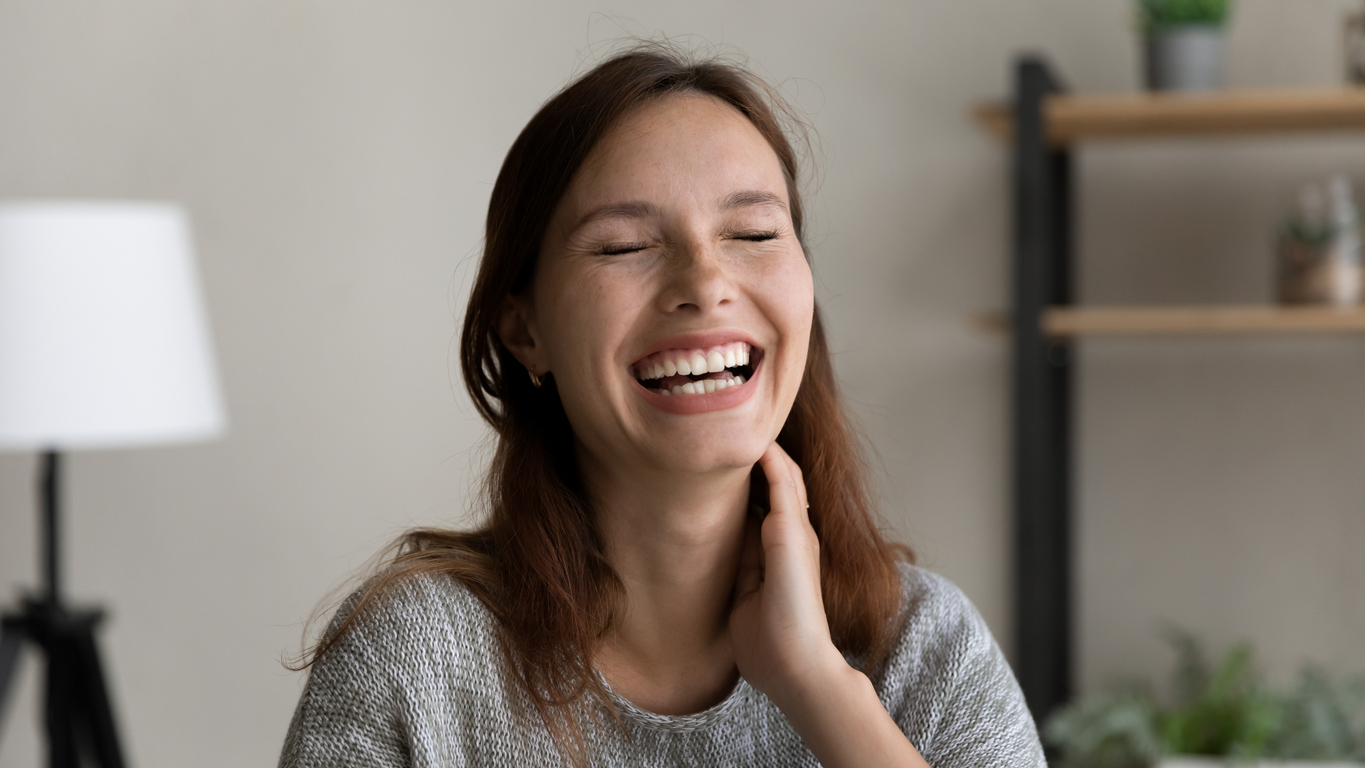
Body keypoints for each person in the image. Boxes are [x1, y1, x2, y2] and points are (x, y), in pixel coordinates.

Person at [279, 44, 1046, 768]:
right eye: (622, 246)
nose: (705, 283)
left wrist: (819, 689)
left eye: (751, 232)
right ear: (524, 330)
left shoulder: (923, 649)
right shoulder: (412, 663)